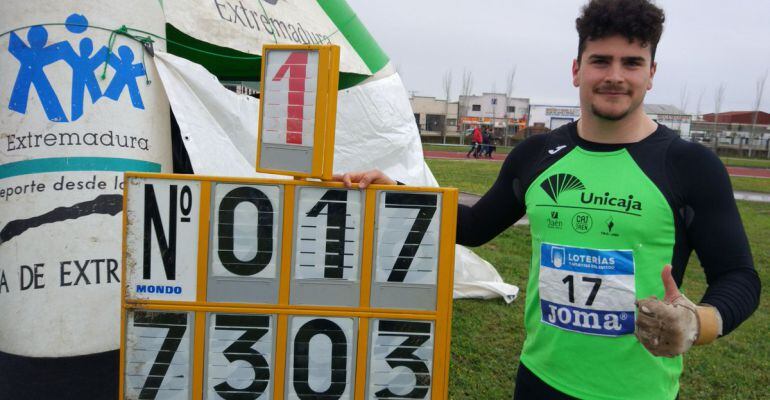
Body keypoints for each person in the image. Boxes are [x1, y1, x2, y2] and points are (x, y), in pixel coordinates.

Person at [335, 1, 761, 398]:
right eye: (600, 60)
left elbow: (739, 277)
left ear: (651, 74)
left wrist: (697, 323)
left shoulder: (690, 166)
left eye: (632, 62)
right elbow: (474, 228)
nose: (615, 75)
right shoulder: (535, 155)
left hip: (637, 390)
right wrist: (394, 191)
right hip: (538, 378)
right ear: (577, 69)